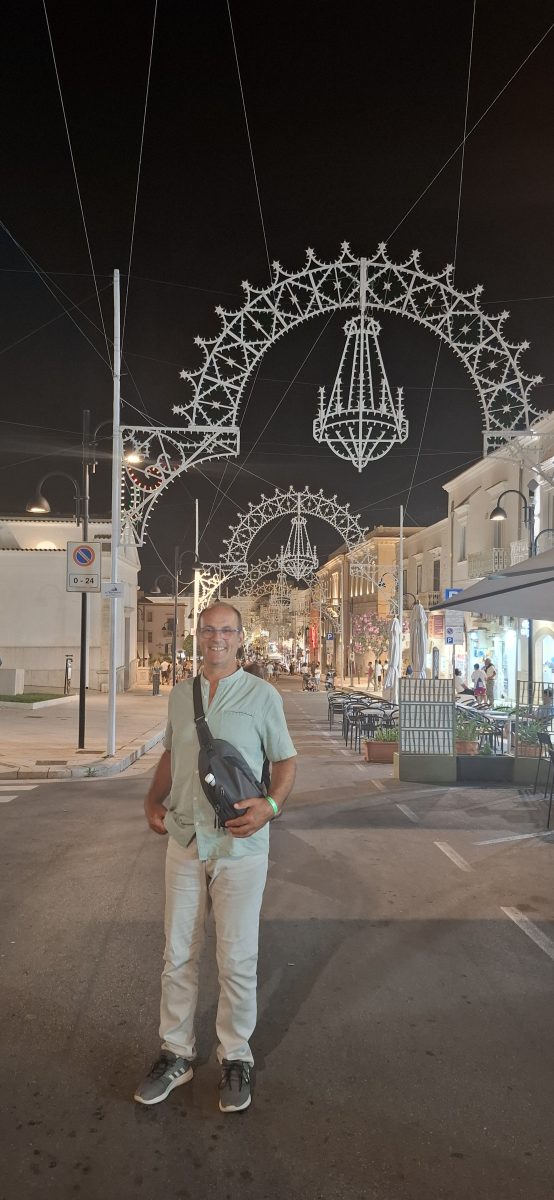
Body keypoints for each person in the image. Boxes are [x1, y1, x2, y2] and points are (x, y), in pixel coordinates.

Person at [135, 603, 297, 1115]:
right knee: (178, 952)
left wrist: (270, 806)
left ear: (239, 638)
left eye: (226, 630)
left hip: (239, 845)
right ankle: (176, 1053)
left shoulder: (262, 695)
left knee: (237, 957)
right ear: (198, 635)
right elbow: (172, 754)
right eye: (209, 630)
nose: (217, 638)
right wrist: (152, 798)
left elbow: (286, 761)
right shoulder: (181, 695)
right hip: (184, 839)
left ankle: (236, 1055)